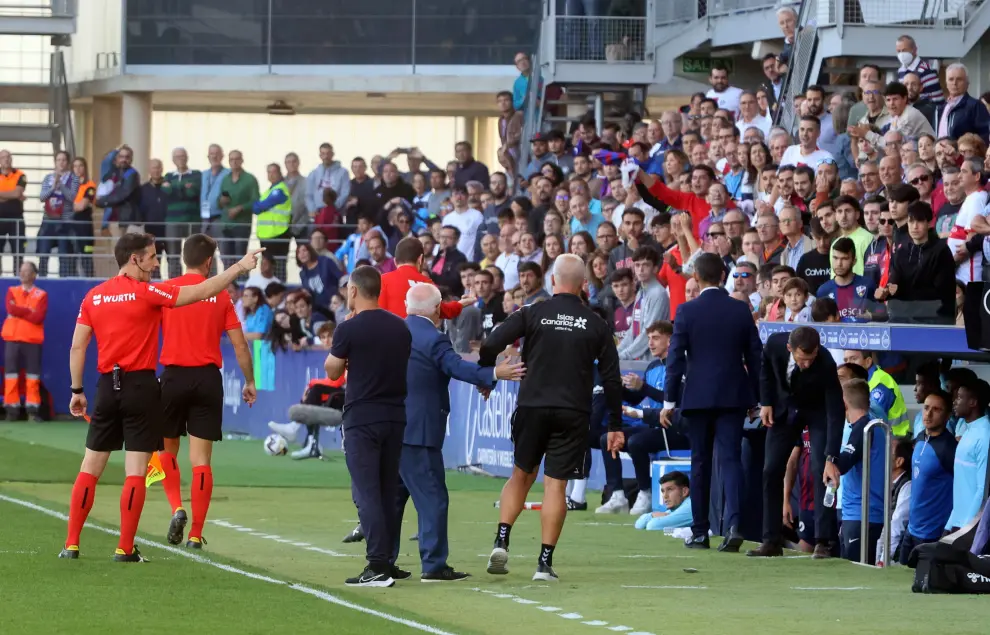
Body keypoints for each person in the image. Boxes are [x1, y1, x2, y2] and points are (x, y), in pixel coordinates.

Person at [61, 233, 261, 562]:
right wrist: (239, 267)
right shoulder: (148, 293)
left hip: (106, 386)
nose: (156, 264)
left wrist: (76, 390)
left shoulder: (94, 297)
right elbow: (202, 290)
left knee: (90, 467)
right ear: (134, 259)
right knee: (137, 471)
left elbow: (77, 346)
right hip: (142, 385)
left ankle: (71, 544)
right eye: (152, 257)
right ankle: (125, 547)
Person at [478, 254, 623, 582]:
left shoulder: (532, 311)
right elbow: (612, 380)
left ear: (553, 282)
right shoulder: (597, 323)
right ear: (583, 284)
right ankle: (544, 563)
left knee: (521, 475)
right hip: (573, 411)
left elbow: (491, 343)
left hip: (533, 406)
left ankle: (502, 539)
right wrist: (615, 424)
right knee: (556, 486)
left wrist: (487, 373)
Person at [390, 284, 524, 581]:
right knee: (433, 498)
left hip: (393, 426)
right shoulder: (434, 339)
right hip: (420, 430)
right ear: (437, 310)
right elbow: (455, 367)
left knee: (395, 499)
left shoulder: (394, 332)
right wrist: (493, 374)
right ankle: (434, 565)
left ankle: (383, 559)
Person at [157, 234, 257, 549]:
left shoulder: (166, 290)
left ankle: (177, 507)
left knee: (165, 451)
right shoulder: (222, 297)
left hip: (173, 376)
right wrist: (249, 381)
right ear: (209, 262)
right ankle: (197, 534)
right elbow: (240, 345)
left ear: (183, 257)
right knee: (201, 461)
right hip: (206, 379)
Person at [661, 253, 762, 552]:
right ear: (723, 275)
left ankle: (700, 532)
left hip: (698, 397)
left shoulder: (687, 311)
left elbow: (675, 358)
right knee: (730, 460)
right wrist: (758, 398)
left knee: (700, 462)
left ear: (695, 275)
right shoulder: (740, 310)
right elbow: (755, 357)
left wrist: (668, 401)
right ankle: (734, 525)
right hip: (733, 395)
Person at [325, 266, 412, 588]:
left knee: (367, 493)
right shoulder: (400, 328)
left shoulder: (349, 328)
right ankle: (387, 559)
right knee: (387, 491)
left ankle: (377, 564)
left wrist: (344, 356)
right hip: (395, 416)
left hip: (363, 417)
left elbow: (332, 371)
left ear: (353, 291)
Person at [749, 327, 844, 558]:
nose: (807, 365)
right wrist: (767, 402)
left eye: (811, 359)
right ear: (790, 349)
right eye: (802, 360)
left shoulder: (826, 363)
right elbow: (766, 372)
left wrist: (832, 457)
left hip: (816, 412)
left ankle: (823, 541)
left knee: (821, 468)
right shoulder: (774, 345)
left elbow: (835, 410)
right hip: (784, 411)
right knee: (770, 469)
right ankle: (771, 540)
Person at [835, 378, 887, 564]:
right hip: (867, 513)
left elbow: (843, 463)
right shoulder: (875, 424)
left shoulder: (864, 429)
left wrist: (828, 458)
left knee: (855, 570)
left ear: (844, 403)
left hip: (860, 513)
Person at [379, 237, 472, 318]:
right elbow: (445, 311)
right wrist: (461, 303)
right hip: (421, 337)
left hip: (392, 336)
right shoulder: (428, 283)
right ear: (420, 259)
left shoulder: (383, 280)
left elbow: (377, 312)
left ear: (395, 261)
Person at [2, 262, 47, 421]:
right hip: (12, 339)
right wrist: (29, 311)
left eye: (27, 271)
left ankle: (32, 411)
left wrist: (20, 311)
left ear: (34, 274)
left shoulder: (41, 295)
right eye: (21, 271)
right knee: (11, 375)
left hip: (32, 341)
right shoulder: (11, 291)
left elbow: (39, 317)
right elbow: (11, 309)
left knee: (33, 376)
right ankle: (11, 411)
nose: (23, 274)